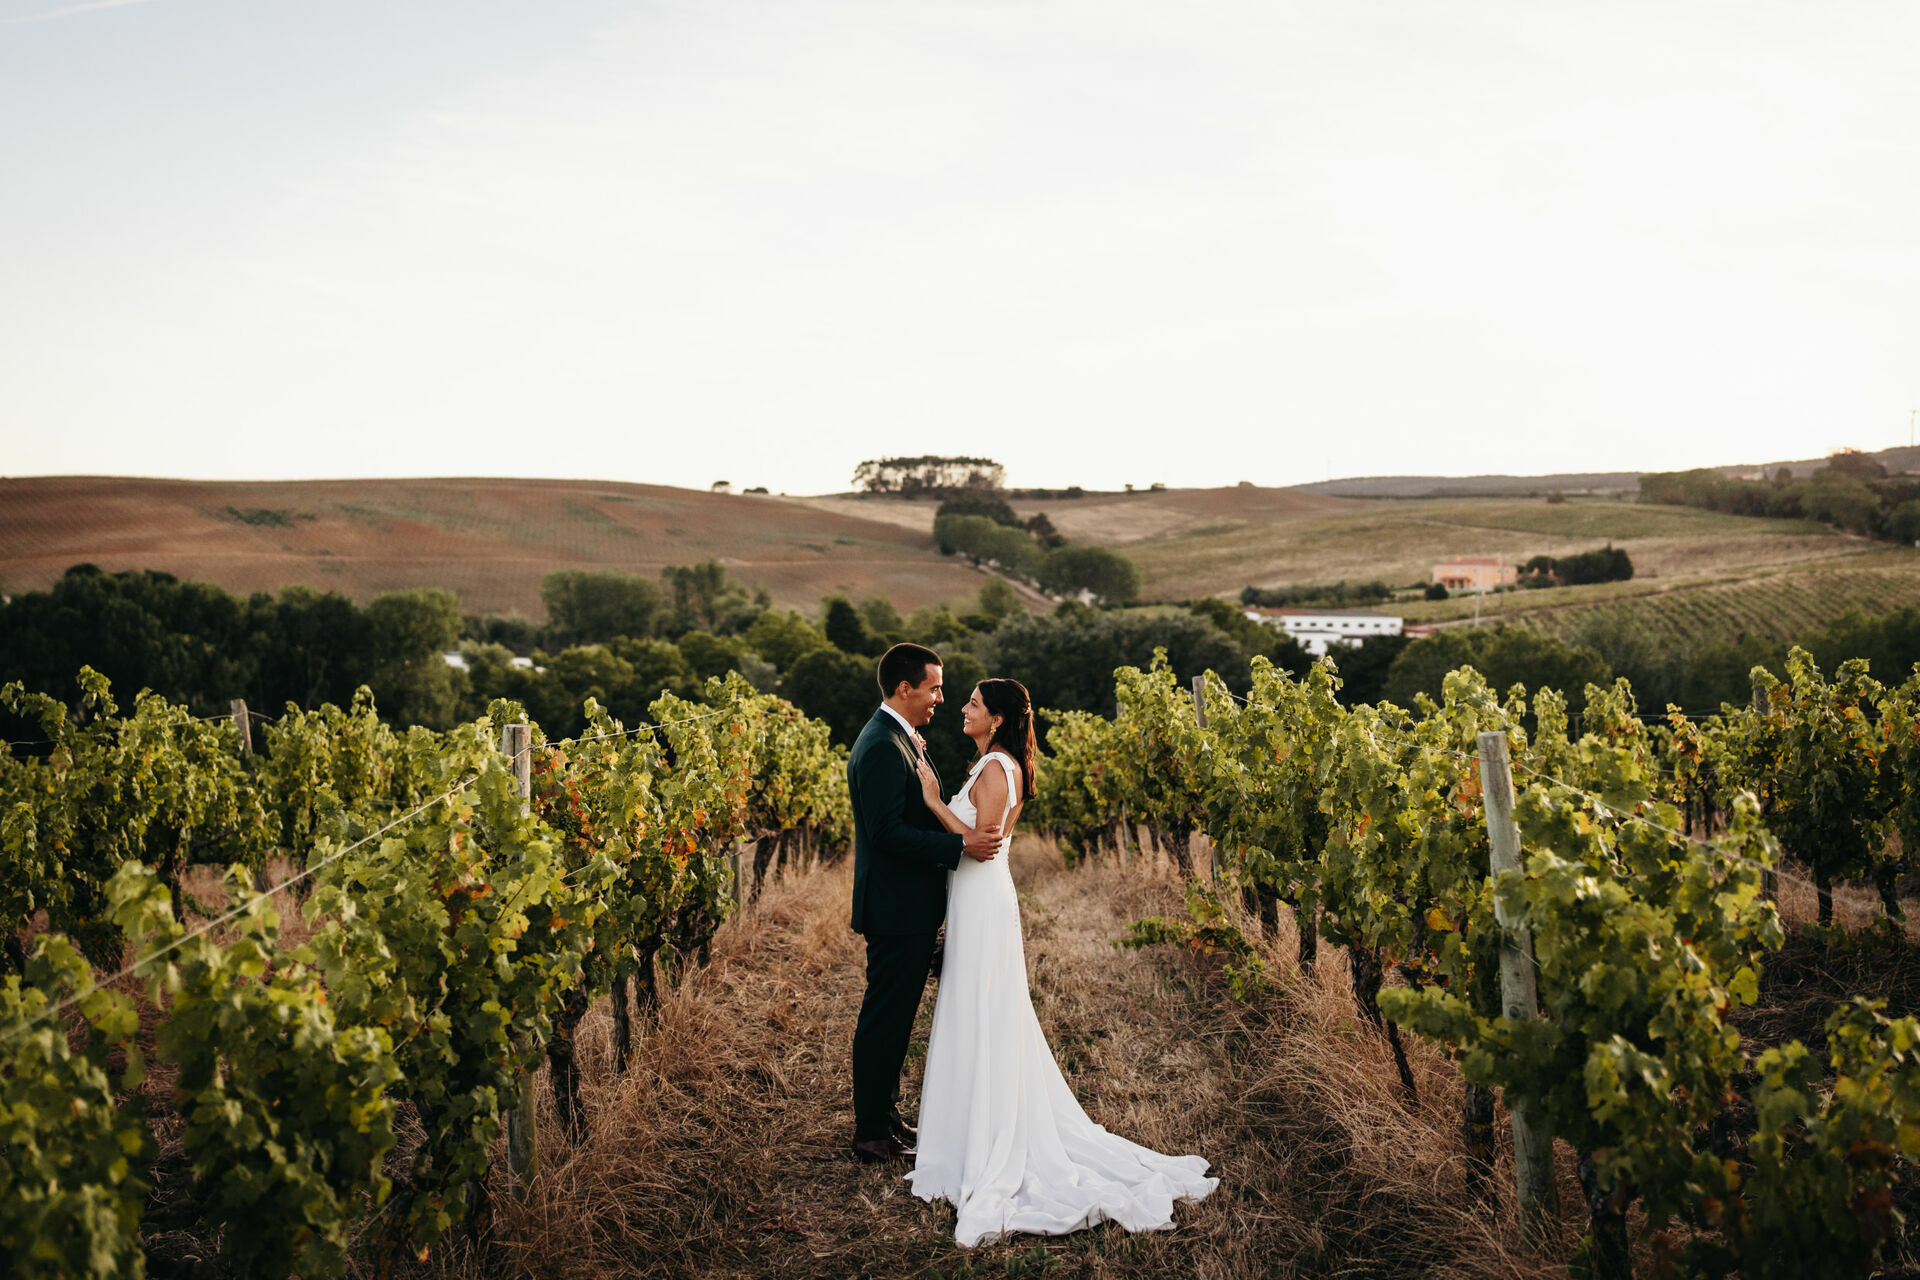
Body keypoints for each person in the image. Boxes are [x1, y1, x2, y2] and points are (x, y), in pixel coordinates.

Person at [906, 677, 1218, 1247]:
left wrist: (931, 801)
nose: (963, 710)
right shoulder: (988, 766)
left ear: (996, 718)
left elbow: (986, 841)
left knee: (986, 1011)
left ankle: (988, 1142)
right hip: (972, 898)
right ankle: (964, 1138)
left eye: (973, 703)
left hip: (984, 897)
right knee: (972, 1010)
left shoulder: (999, 769)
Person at [847, 643, 1004, 1164]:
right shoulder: (879, 746)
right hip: (894, 909)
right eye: (934, 687)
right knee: (884, 1019)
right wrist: (960, 846)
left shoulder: (902, 738)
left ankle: (887, 1118)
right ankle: (870, 1132)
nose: (941, 697)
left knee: (896, 1019)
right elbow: (887, 832)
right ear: (904, 688)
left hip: (908, 906)